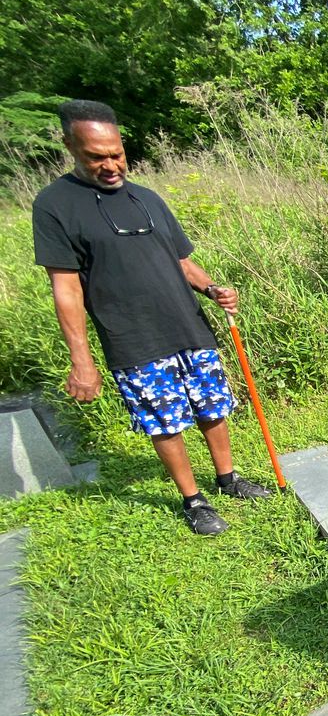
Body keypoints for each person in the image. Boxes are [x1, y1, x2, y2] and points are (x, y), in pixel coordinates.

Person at [32, 99, 272, 535]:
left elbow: (180, 260)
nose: (111, 164)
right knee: (164, 418)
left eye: (117, 153)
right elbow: (65, 287)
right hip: (131, 334)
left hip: (187, 323)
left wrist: (212, 288)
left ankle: (228, 478)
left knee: (211, 407)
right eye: (97, 156)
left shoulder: (147, 197)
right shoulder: (55, 205)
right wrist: (81, 361)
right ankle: (193, 500)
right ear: (70, 146)